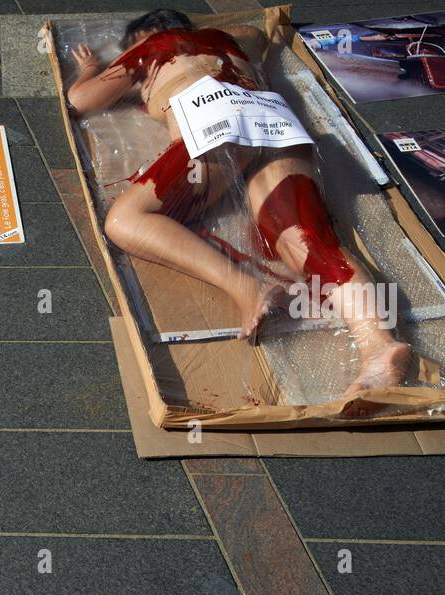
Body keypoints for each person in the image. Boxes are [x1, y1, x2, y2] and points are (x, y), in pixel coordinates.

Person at [67, 10, 411, 398]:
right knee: (305, 239)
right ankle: (378, 345)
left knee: (126, 219)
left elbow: (81, 100)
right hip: (275, 127)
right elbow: (255, 33)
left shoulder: (151, 47)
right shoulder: (235, 38)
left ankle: (246, 288)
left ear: (147, 33)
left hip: (219, 133)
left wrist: (92, 67)